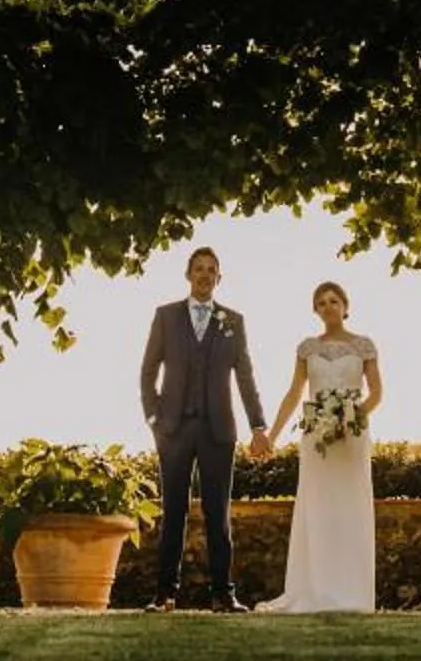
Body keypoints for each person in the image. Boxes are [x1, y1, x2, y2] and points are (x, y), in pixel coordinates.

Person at [138, 245, 270, 611]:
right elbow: (148, 371)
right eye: (199, 268)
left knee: (218, 512)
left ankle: (223, 593)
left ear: (219, 277)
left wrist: (258, 424)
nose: (205, 275)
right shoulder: (165, 316)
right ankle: (165, 593)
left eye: (212, 269)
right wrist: (153, 418)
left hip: (218, 430)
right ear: (188, 274)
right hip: (174, 429)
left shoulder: (233, 321)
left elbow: (245, 376)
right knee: (173, 510)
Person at [260, 279, 384, 613]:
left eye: (334, 301)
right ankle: (314, 590)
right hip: (316, 440)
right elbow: (294, 393)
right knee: (318, 510)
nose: (328, 307)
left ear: (345, 305)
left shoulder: (364, 346)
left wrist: (351, 417)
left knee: (350, 510)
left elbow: (376, 392)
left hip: (352, 440)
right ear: (316, 310)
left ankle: (353, 595)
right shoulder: (307, 348)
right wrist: (271, 436)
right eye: (321, 303)